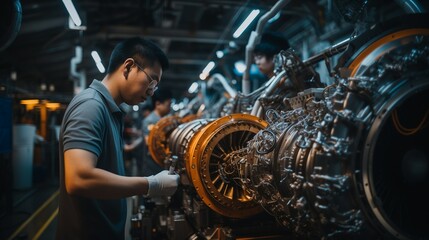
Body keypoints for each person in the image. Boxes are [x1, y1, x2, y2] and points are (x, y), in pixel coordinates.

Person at [56, 37, 180, 240]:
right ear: (129, 67)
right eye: (152, 81)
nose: (151, 93)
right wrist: (151, 184)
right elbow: (78, 178)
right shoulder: (91, 106)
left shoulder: (110, 110)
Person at [141, 88, 173, 177]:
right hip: (152, 165)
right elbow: (150, 142)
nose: (169, 108)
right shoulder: (150, 121)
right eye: (168, 105)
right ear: (158, 104)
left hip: (160, 163)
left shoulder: (163, 120)